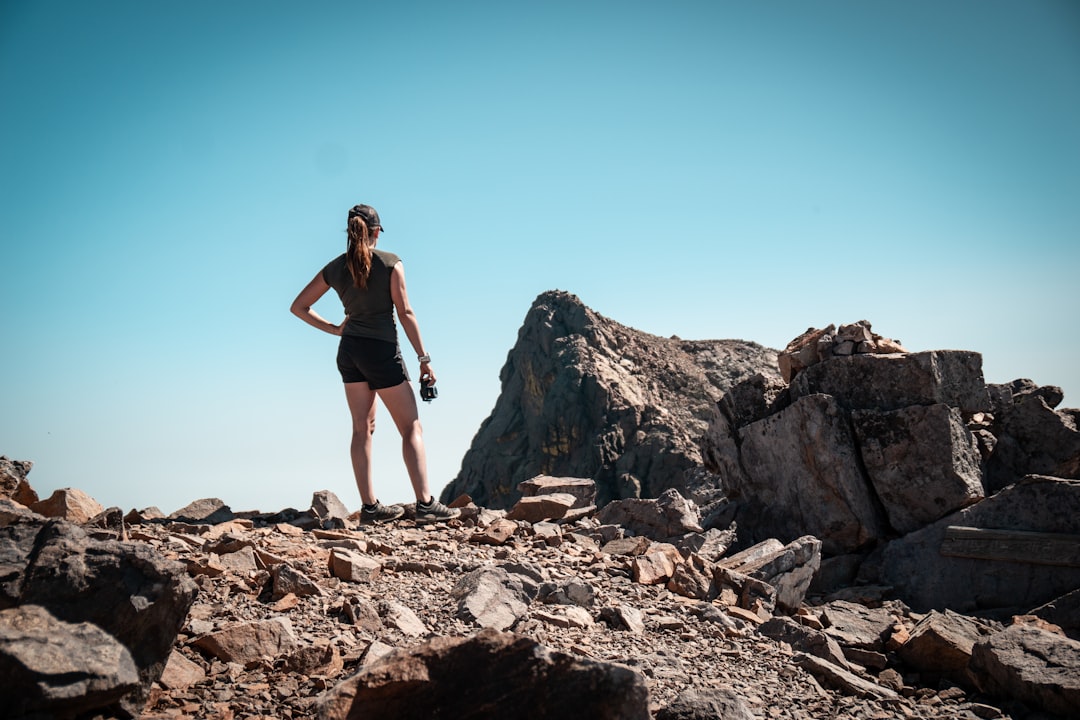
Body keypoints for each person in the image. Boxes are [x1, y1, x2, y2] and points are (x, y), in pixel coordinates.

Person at [290, 204, 459, 524]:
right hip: (381, 351)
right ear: (377, 231)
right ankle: (425, 505)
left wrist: (336, 329)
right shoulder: (391, 264)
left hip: (350, 350)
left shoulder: (335, 267)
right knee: (411, 427)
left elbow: (299, 306)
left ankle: (370, 508)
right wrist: (424, 360)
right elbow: (405, 313)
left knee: (361, 429)